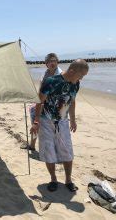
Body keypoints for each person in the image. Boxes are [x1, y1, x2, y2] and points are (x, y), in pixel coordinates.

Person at [30, 59, 89, 192]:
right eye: (81, 75)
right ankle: (53, 179)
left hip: (62, 122)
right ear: (72, 71)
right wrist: (36, 121)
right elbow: (39, 101)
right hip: (46, 121)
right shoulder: (51, 81)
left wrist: (73, 120)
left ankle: (68, 180)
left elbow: (72, 101)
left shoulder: (76, 84)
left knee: (67, 151)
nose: (82, 79)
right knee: (48, 151)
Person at [23, 53, 62, 151]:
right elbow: (41, 90)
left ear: (57, 62)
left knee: (54, 128)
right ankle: (32, 145)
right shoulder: (45, 74)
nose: (52, 63)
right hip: (43, 103)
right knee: (34, 120)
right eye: (49, 61)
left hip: (54, 106)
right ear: (46, 64)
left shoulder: (60, 75)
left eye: (54, 61)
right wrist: (37, 103)